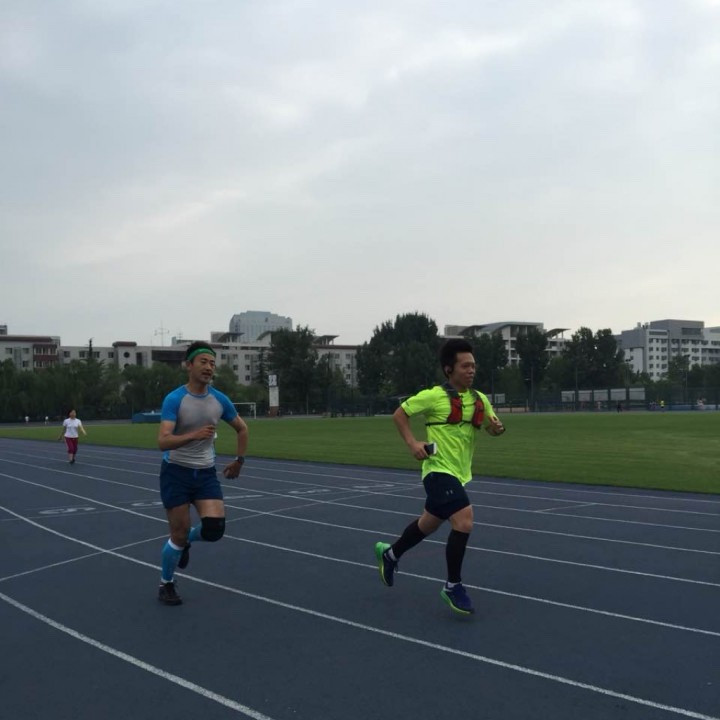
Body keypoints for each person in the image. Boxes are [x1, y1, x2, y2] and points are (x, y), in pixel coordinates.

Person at [374, 339, 505, 615]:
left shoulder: (480, 399)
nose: (471, 370)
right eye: (465, 366)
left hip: (459, 473)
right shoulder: (434, 396)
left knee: (428, 524)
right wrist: (413, 443)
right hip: (436, 471)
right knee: (464, 519)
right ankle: (452, 586)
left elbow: (491, 428)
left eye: (473, 365)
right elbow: (400, 415)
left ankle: (390, 554)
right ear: (449, 369)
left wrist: (496, 429)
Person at [156, 341, 249, 606]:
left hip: (205, 473)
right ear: (189, 365)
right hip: (176, 472)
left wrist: (239, 461)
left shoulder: (219, 400)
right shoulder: (175, 399)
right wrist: (194, 435)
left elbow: (242, 429)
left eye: (212, 363)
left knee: (215, 529)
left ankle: (186, 542)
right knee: (178, 533)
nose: (209, 367)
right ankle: (166, 583)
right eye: (203, 362)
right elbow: (163, 441)